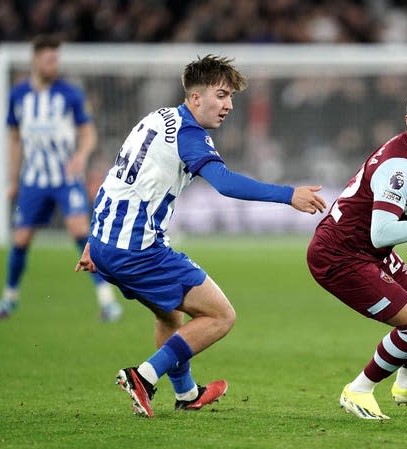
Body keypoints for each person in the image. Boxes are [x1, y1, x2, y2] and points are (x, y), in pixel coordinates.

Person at [75, 54, 326, 417]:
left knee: (169, 315)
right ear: (196, 98)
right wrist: (289, 195)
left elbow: (120, 178)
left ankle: (187, 393)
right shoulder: (189, 135)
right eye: (221, 95)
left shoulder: (156, 118)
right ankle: (143, 377)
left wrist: (95, 240)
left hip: (108, 243)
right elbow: (223, 183)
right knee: (220, 315)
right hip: (138, 250)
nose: (228, 105)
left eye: (231, 98)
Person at [306, 86, 407, 420]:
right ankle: (359, 388)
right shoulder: (401, 166)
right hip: (339, 256)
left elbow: (404, 212)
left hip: (368, 251)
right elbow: (381, 232)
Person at [0, 35, 122, 322]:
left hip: (65, 177)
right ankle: (9, 298)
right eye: (49, 59)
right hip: (33, 179)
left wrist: (81, 155)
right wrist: (12, 180)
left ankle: (107, 301)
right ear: (36, 60)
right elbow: (14, 140)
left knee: (80, 233)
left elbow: (88, 132)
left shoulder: (70, 94)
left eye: (56, 59)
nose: (53, 64)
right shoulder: (19, 95)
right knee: (21, 239)